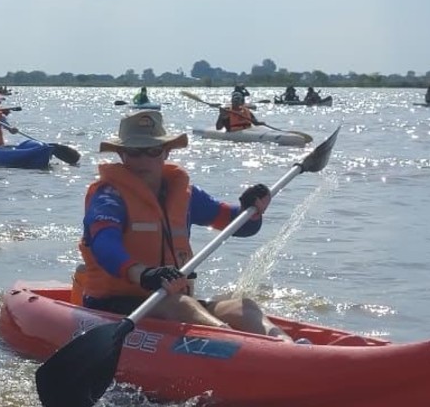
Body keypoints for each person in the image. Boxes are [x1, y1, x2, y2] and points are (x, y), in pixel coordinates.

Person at [77, 109, 293, 341]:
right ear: (122, 154)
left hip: (170, 299)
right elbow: (104, 245)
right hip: (114, 305)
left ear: (166, 151)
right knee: (180, 305)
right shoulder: (108, 197)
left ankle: (289, 350)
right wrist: (143, 273)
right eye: (134, 152)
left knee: (246, 307)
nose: (144, 160)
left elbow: (239, 225)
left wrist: (251, 210)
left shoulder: (185, 195)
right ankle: (240, 349)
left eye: (152, 150)